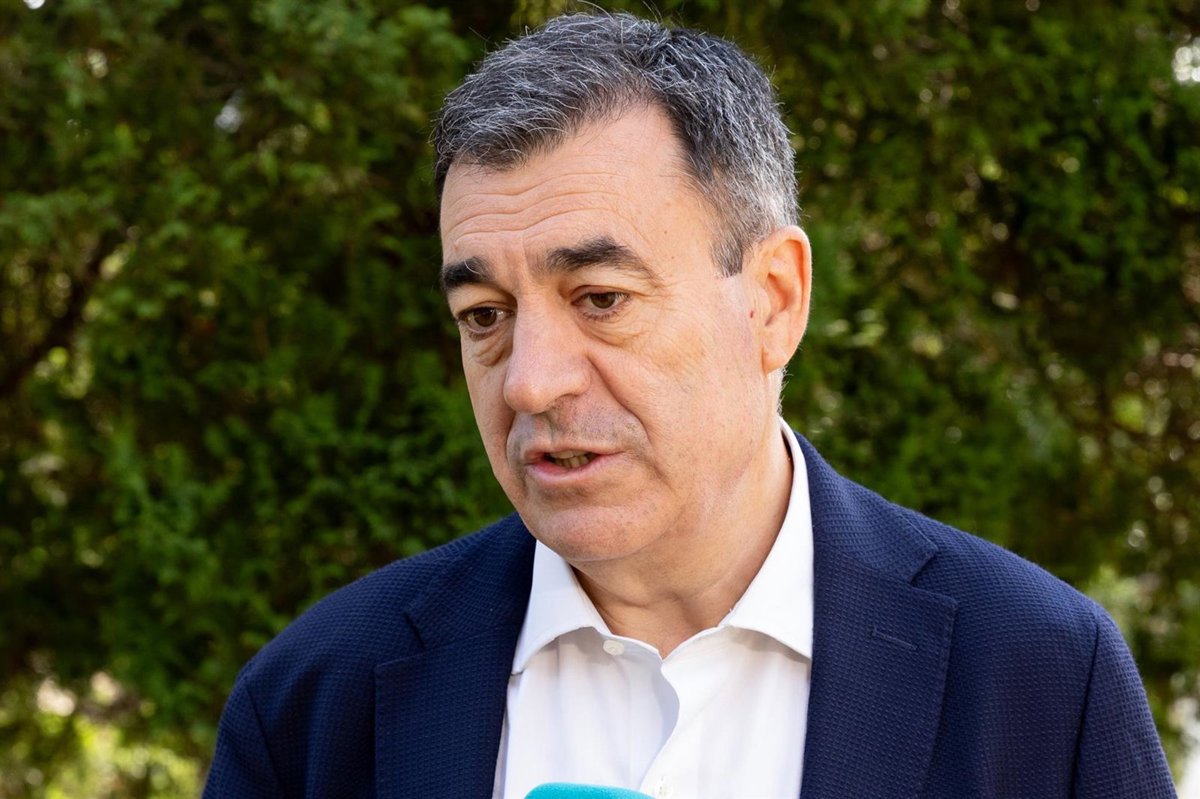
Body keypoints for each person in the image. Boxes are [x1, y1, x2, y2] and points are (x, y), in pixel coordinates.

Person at [204, 12, 1176, 798]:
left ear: (773, 301)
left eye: (600, 299)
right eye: (485, 315)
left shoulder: (1041, 677)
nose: (530, 381)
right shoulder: (313, 706)